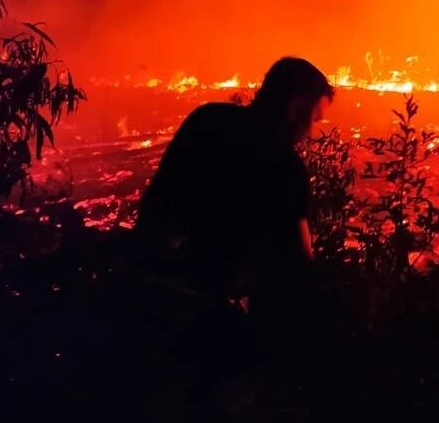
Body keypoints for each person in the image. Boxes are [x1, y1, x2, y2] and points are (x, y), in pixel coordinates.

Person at [134, 56, 333, 306]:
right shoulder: (285, 167)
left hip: (153, 286)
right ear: (296, 108)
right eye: (314, 118)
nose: (311, 132)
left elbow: (159, 202)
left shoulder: (206, 120)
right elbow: (300, 265)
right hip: (210, 309)